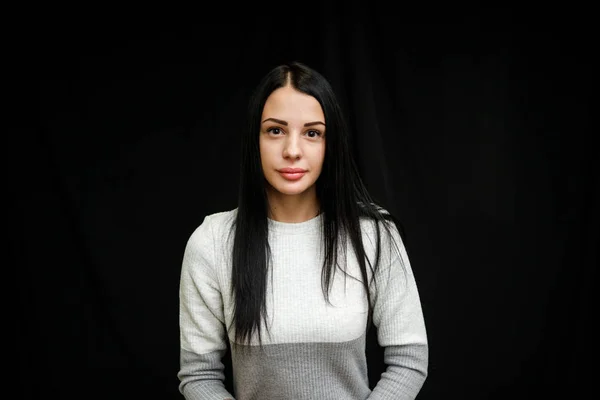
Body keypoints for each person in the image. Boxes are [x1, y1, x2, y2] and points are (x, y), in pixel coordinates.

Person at [177, 61, 428, 399]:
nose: (292, 151)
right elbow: (199, 375)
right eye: (275, 130)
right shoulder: (212, 242)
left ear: (330, 143)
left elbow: (408, 360)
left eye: (312, 133)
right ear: (255, 139)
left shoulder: (373, 235)